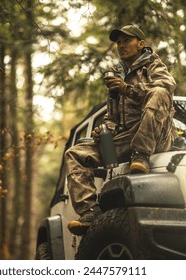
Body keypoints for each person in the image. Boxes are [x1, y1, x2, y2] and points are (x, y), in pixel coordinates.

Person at [65, 24, 177, 236]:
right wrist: (103, 131)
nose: (121, 45)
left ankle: (141, 156)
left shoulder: (153, 65)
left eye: (127, 40)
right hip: (127, 138)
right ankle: (91, 213)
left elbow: (167, 88)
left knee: (159, 92)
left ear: (141, 44)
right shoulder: (117, 75)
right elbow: (112, 118)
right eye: (118, 42)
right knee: (75, 154)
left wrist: (129, 89)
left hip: (156, 137)